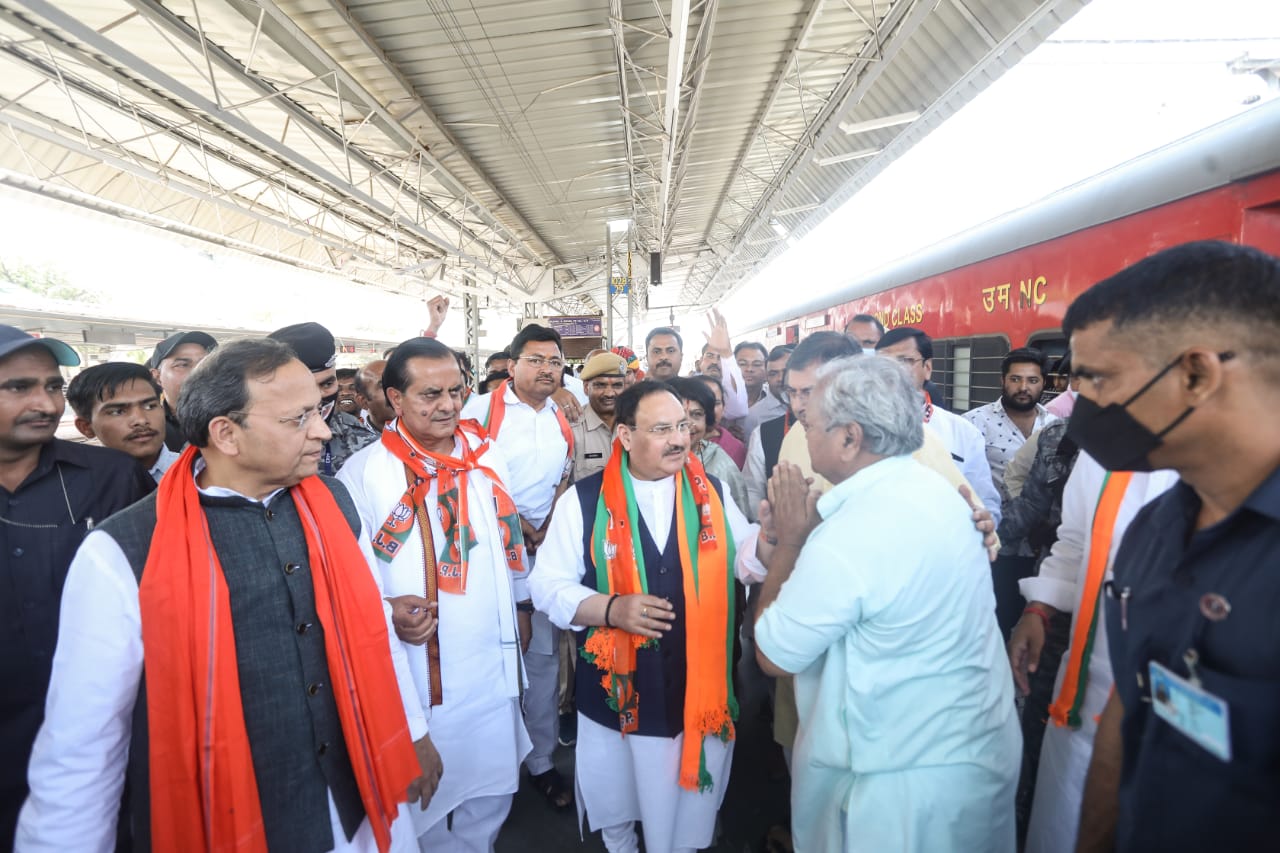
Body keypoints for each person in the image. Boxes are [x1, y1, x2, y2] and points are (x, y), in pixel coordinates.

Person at [16, 337, 436, 852]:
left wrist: (411, 732)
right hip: (231, 821)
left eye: (318, 411)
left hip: (359, 804)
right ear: (226, 434)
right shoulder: (120, 552)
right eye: (297, 418)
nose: (323, 430)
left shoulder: (334, 501)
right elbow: (84, 744)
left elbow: (374, 630)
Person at [753, 355, 1020, 853]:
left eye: (810, 426)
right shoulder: (943, 495)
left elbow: (773, 654)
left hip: (892, 794)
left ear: (850, 438)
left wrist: (789, 543)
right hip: (971, 758)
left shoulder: (851, 536)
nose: (804, 438)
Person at [1069, 241, 1280, 852]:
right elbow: (1131, 710)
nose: (1085, 408)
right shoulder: (1155, 530)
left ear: (1196, 374)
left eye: (1099, 379)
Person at [530, 381, 769, 853]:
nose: (680, 439)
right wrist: (612, 609)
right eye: (662, 429)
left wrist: (771, 538)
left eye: (683, 425)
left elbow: (744, 561)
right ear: (624, 435)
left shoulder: (712, 492)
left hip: (695, 689)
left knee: (688, 813)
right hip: (617, 691)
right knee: (619, 800)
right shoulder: (583, 500)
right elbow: (547, 586)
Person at [338, 337, 533, 852]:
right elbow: (350, 581)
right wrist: (387, 612)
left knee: (489, 795)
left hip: (490, 669)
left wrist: (521, 602)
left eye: (456, 391)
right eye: (430, 395)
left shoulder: (484, 454)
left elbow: (506, 538)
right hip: (420, 676)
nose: (448, 405)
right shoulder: (363, 474)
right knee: (421, 806)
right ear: (395, 399)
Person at [0, 327, 153, 848]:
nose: (45, 403)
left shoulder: (112, 477)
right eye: (19, 388)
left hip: (105, 737)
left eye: (52, 386)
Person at [461, 324, 575, 810]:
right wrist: (513, 526)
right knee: (490, 656)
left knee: (543, 661)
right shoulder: (479, 411)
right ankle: (489, 767)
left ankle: (541, 762)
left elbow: (563, 479)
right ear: (512, 365)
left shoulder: (563, 416)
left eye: (555, 361)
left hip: (541, 553)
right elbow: (463, 475)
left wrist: (545, 524)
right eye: (536, 360)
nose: (547, 369)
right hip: (487, 555)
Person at [876, 327, 1002, 525]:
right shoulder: (856, 431)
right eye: (883, 363)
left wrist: (985, 520)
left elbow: (987, 505)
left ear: (927, 368)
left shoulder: (964, 434)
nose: (892, 371)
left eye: (904, 361)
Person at [269, 321, 376, 474]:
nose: (318, 397)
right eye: (306, 387)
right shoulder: (254, 438)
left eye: (327, 384)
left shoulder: (364, 444)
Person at [963, 347, 1058, 499]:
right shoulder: (973, 422)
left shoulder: (1054, 425)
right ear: (1002, 380)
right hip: (993, 519)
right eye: (1015, 379)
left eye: (1032, 380)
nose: (1023, 387)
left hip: (1045, 520)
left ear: (1044, 383)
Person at [66, 361, 178, 483]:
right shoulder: (78, 488)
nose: (141, 420)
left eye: (150, 406)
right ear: (86, 427)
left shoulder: (197, 473)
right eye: (117, 412)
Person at [744, 345, 795, 518]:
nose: (781, 379)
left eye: (787, 371)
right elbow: (753, 489)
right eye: (773, 373)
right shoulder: (761, 431)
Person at [149, 330, 217, 451]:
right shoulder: (148, 428)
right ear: (157, 376)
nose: (198, 372)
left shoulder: (234, 418)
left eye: (205, 364)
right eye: (183, 365)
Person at [573, 352, 627, 481]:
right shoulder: (571, 430)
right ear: (586, 388)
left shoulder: (636, 425)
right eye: (601, 385)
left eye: (617, 385)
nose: (609, 393)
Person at [729, 342, 785, 441]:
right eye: (742, 364)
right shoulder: (720, 401)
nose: (749, 369)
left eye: (757, 364)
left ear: (766, 369)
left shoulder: (780, 402)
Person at [694, 374, 747, 470]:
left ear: (724, 407)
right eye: (702, 402)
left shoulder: (735, 448)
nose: (710, 410)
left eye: (716, 403)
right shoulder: (677, 443)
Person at [355, 358, 394, 434]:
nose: (397, 391)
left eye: (400, 383)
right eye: (383, 385)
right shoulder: (355, 443)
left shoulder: (422, 437)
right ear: (363, 401)